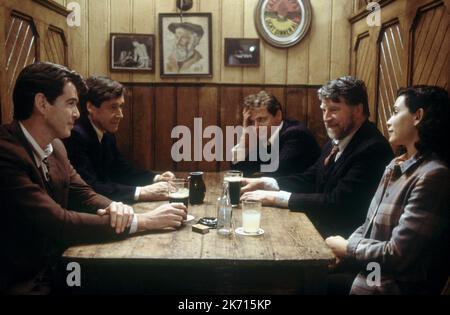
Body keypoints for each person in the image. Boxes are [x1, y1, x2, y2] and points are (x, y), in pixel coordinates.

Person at [0, 62, 187, 294]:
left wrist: (118, 208)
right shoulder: (6, 153)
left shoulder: (56, 146)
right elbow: (59, 223)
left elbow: (85, 194)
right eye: (70, 104)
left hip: (61, 266)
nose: (77, 114)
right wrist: (144, 221)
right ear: (42, 104)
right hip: (23, 282)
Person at [326, 86, 450, 295]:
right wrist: (346, 249)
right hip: (371, 273)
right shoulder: (396, 164)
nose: (388, 121)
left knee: (305, 283)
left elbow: (398, 254)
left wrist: (348, 248)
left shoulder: (434, 175)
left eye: (395, 112)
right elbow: (368, 225)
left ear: (417, 116)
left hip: (390, 286)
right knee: (306, 275)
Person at [240, 76, 394, 237]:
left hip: (346, 242)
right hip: (323, 229)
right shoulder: (337, 140)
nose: (326, 118)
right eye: (323, 110)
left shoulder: (372, 148)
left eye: (334, 110)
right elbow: (310, 178)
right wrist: (263, 183)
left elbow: (337, 204)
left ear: (357, 109)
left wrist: (274, 198)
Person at [64, 76, 175, 203]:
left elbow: (120, 169)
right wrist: (142, 192)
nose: (120, 115)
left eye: (121, 106)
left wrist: (156, 178)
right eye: (113, 107)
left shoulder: (105, 130)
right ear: (91, 107)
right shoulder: (75, 136)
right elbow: (89, 187)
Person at [231, 90, 320, 178]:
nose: (256, 127)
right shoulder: (264, 136)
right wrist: (245, 136)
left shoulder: (295, 135)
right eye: (251, 122)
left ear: (278, 116)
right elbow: (238, 170)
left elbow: (276, 173)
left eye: (261, 120)